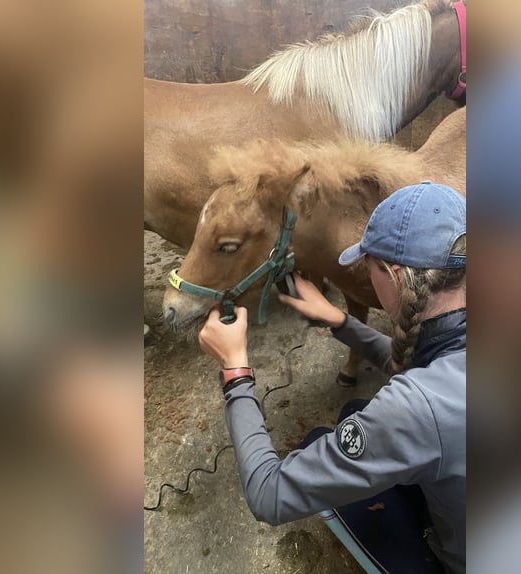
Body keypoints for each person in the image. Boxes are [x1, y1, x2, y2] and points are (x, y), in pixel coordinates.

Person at [199, 182, 466, 574]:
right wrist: (341, 321)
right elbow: (429, 376)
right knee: (357, 410)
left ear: (393, 277)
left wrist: (235, 370)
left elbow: (269, 495)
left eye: (369, 267)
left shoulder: (414, 411)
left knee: (320, 443)